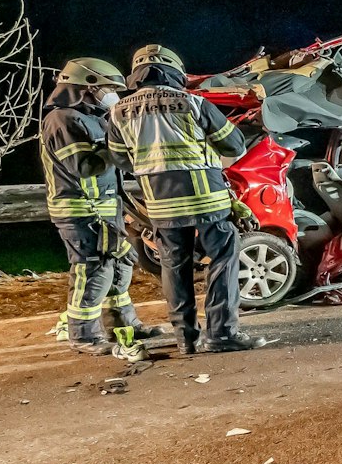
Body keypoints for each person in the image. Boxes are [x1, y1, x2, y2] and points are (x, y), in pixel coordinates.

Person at [107, 44, 265, 353]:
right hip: (206, 198)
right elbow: (234, 145)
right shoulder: (193, 103)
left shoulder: (117, 113)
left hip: (161, 204)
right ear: (174, 73)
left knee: (173, 266)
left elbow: (120, 159)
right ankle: (222, 334)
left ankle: (186, 339)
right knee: (222, 260)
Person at [41, 58, 160, 355]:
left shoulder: (95, 117)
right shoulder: (62, 119)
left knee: (119, 264)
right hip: (81, 212)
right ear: (88, 86)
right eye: (108, 87)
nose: (112, 94)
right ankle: (84, 336)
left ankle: (123, 324)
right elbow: (83, 165)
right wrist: (117, 147)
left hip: (105, 209)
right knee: (92, 270)